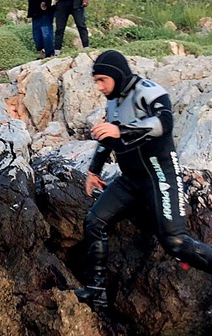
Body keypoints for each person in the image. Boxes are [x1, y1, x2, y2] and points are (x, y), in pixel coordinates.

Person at [74, 50, 212, 308]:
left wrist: (120, 129)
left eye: (102, 80)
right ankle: (96, 291)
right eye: (96, 81)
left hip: (159, 175)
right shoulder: (113, 102)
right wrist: (93, 172)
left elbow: (164, 123)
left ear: (116, 75)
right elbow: (107, 139)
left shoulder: (148, 91)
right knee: (95, 221)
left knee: (176, 242)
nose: (99, 86)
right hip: (130, 180)